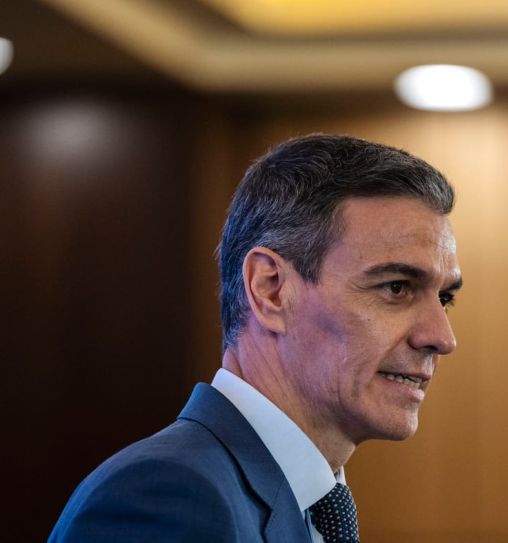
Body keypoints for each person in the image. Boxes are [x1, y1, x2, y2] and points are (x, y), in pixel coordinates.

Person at [48, 134, 462, 542]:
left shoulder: (307, 508)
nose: (441, 337)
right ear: (270, 290)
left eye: (444, 298)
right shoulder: (167, 497)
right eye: (396, 287)